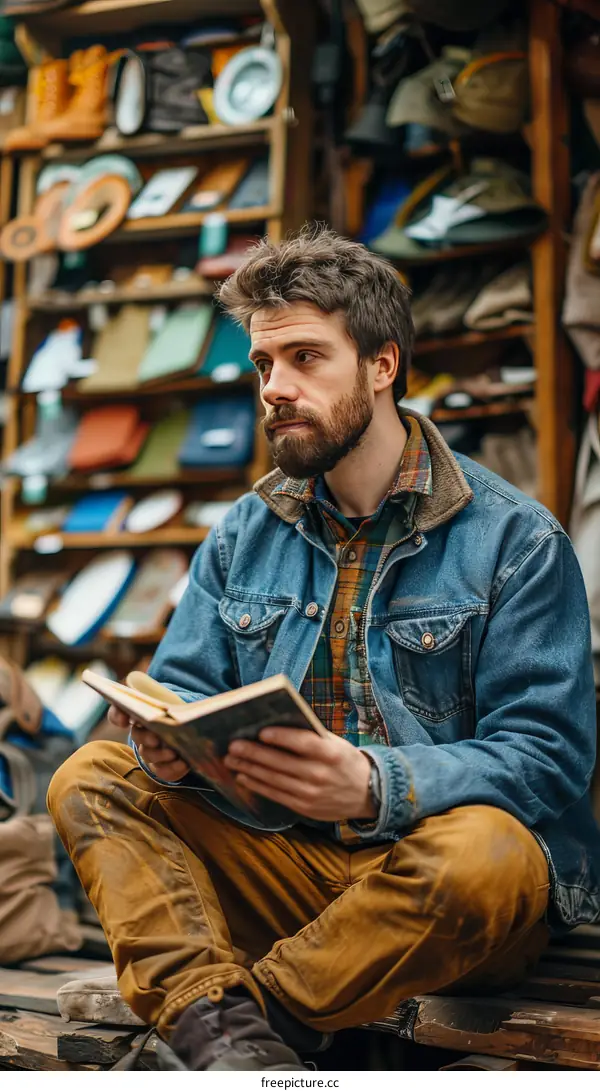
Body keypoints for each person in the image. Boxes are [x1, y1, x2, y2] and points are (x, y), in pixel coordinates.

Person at [48, 226, 600, 1072]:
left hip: (433, 888)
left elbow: (548, 758)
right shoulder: (243, 532)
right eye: (266, 363)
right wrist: (166, 746)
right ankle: (234, 1034)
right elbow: (182, 693)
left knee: (487, 851)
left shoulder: (515, 539)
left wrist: (376, 783)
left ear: (382, 365)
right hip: (283, 864)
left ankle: (226, 1025)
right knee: (91, 775)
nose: (275, 387)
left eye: (306, 357)